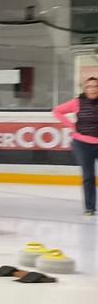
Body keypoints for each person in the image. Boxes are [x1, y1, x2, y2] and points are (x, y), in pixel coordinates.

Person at [52, 76, 98, 216]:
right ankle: (89, 208)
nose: (93, 89)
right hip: (82, 144)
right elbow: (57, 111)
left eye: (95, 86)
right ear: (85, 89)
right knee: (88, 176)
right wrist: (71, 126)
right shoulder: (77, 102)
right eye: (89, 86)